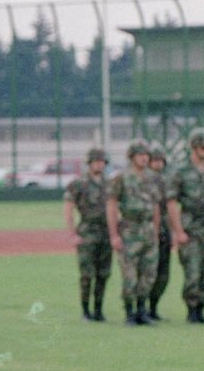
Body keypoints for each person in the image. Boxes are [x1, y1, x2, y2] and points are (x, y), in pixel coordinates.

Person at [166, 127, 204, 324]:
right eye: (201, 146)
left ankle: (202, 307)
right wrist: (178, 231)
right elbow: (172, 202)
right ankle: (192, 310)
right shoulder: (181, 171)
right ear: (193, 147)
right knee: (193, 272)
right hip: (190, 228)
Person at [106, 138, 160, 325]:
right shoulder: (121, 177)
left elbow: (155, 206)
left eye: (146, 155)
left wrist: (156, 230)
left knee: (149, 274)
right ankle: (130, 312)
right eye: (140, 155)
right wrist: (114, 235)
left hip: (148, 230)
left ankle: (142, 311)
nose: (144, 158)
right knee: (130, 276)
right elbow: (112, 205)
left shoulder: (152, 177)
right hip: (129, 230)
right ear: (132, 157)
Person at [63, 146, 112, 321]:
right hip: (87, 233)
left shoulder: (110, 183)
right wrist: (72, 233)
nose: (99, 165)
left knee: (103, 274)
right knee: (86, 275)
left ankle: (98, 309)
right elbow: (68, 208)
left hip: (106, 233)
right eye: (96, 161)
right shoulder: (79, 184)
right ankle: (86, 310)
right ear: (90, 163)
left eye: (102, 162)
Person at [146, 142, 172, 320]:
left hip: (164, 231)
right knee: (146, 272)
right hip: (144, 231)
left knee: (163, 273)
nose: (158, 163)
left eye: (160, 160)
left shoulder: (167, 181)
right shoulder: (141, 180)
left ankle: (153, 308)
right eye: (154, 160)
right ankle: (140, 308)